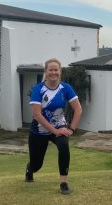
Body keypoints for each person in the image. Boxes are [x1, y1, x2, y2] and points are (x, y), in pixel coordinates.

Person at [25, 58, 82, 195]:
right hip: (39, 129)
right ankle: (29, 169)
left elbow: (78, 109)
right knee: (36, 164)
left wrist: (71, 129)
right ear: (46, 71)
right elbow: (37, 115)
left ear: (60, 71)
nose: (53, 72)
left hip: (60, 126)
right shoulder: (38, 89)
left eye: (56, 69)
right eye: (50, 70)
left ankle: (63, 182)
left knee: (63, 146)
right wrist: (54, 131)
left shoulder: (65, 88)